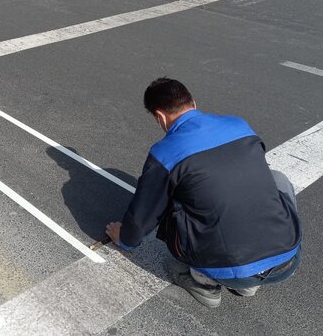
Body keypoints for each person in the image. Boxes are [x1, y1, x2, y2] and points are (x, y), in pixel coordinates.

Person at [105, 77, 301, 308]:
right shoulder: (239, 125)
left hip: (229, 266)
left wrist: (125, 238)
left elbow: (144, 214)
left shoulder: (166, 153)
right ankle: (250, 281)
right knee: (277, 178)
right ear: (193, 103)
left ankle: (204, 282)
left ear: (160, 116)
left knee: (172, 203)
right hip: (288, 259)